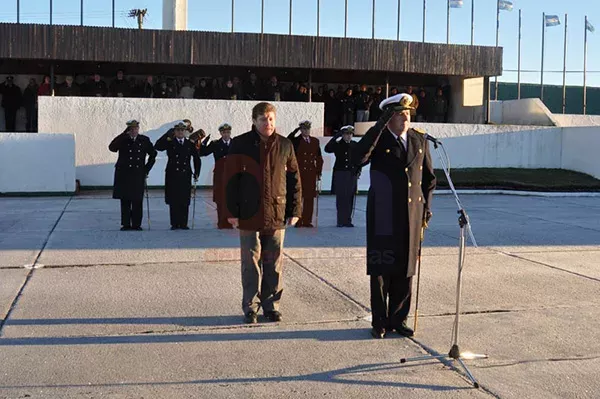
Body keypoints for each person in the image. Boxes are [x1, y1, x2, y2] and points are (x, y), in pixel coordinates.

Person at [352, 93, 436, 339]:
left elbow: (429, 180)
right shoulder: (377, 139)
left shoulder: (419, 139)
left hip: (411, 215)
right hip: (383, 217)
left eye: (407, 114)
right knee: (381, 270)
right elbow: (357, 158)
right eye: (399, 114)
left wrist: (425, 208)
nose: (405, 119)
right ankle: (380, 321)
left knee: (405, 269)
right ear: (388, 117)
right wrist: (378, 126)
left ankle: (399, 319)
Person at [224, 102, 302, 324]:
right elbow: (229, 180)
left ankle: (271, 305)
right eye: (262, 119)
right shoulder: (240, 144)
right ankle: (250, 307)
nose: (267, 123)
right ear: (254, 121)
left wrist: (295, 209)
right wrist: (231, 212)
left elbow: (294, 180)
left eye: (270, 119)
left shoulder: (285, 145)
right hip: (248, 212)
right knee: (250, 262)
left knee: (273, 261)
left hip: (277, 213)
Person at [108, 120, 157, 231]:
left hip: (138, 174)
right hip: (123, 174)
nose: (134, 131)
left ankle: (136, 224)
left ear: (138, 129)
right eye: (131, 129)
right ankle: (125, 224)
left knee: (137, 200)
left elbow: (153, 154)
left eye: (136, 128)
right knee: (125, 200)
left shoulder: (144, 140)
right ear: (128, 129)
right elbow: (112, 148)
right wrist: (123, 135)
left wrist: (146, 169)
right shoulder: (123, 139)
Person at [155, 122, 201, 230]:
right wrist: (167, 135)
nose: (180, 132)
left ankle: (184, 223)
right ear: (174, 132)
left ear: (185, 132)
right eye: (178, 130)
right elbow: (157, 146)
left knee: (185, 199)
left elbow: (196, 159)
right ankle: (174, 223)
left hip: (185, 174)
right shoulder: (170, 142)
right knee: (174, 199)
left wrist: (197, 172)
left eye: (182, 130)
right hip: (172, 174)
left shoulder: (190, 144)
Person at [287, 120, 323, 228]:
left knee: (309, 198)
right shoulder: (296, 141)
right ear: (301, 130)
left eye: (307, 129)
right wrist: (295, 131)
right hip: (300, 172)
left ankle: (307, 221)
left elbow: (319, 158)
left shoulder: (315, 141)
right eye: (303, 129)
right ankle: (298, 220)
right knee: (299, 197)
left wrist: (318, 171)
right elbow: (288, 139)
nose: (306, 131)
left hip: (311, 173)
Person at [198, 123, 234, 229]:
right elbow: (203, 153)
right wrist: (203, 143)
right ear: (221, 133)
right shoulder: (215, 144)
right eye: (224, 132)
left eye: (228, 132)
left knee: (231, 198)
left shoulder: (235, 143)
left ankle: (230, 221)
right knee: (220, 198)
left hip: (231, 174)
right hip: (219, 174)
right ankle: (222, 222)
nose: (226, 134)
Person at [325, 125, 360, 227]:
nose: (349, 136)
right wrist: (336, 137)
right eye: (346, 134)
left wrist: (358, 168)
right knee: (341, 198)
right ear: (343, 135)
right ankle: (340, 220)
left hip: (351, 174)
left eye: (350, 134)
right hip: (340, 173)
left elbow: (363, 157)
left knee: (349, 197)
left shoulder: (355, 145)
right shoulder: (338, 144)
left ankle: (347, 220)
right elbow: (327, 149)